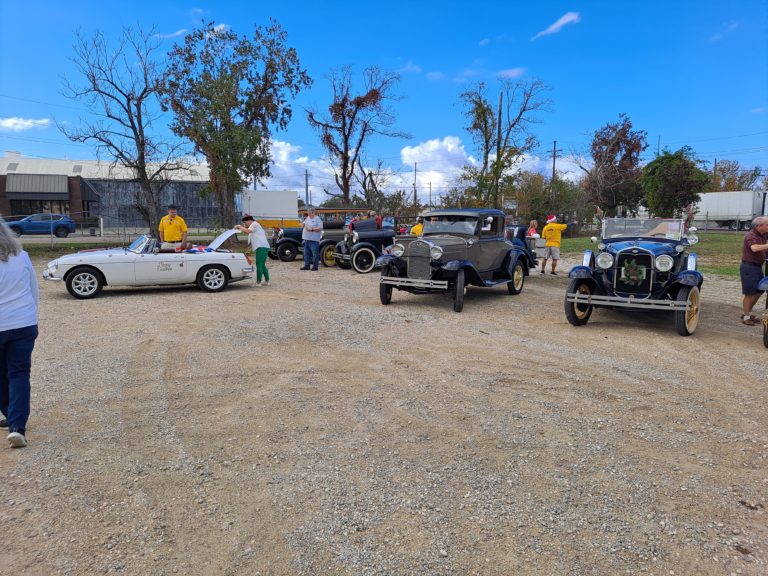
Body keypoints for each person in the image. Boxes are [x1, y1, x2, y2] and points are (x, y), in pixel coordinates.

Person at [0, 218, 38, 448]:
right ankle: (17, 425)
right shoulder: (22, 257)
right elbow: (34, 290)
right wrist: (32, 316)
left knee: (2, 375)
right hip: (23, 323)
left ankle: (11, 414)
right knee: (19, 374)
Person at [739, 216, 768, 325]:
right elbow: (754, 248)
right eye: (767, 225)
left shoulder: (763, 234)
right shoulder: (750, 235)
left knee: (759, 290)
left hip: (757, 267)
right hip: (749, 267)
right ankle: (746, 317)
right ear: (759, 226)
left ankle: (747, 313)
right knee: (749, 293)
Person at [235, 215, 270, 286]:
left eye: (245, 222)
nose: (245, 224)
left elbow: (247, 231)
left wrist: (239, 226)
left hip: (262, 247)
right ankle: (267, 281)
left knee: (259, 265)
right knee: (262, 265)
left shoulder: (254, 224)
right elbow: (253, 235)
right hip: (263, 246)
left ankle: (258, 282)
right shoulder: (255, 225)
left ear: (249, 220)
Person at [300, 206, 323, 271]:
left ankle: (315, 267)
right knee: (306, 253)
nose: (308, 214)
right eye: (308, 213)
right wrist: (306, 226)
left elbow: (320, 228)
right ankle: (307, 266)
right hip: (306, 239)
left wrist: (312, 229)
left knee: (315, 254)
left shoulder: (317, 219)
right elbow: (303, 224)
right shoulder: (308, 218)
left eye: (309, 213)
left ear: (313, 212)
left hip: (314, 239)